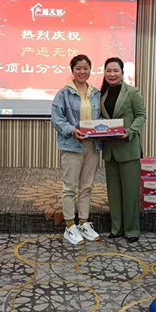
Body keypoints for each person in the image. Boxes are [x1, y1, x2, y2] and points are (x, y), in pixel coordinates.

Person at [51, 55, 102, 245]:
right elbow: (57, 119)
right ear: (72, 70)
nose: (82, 72)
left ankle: (83, 222)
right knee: (70, 187)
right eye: (78, 68)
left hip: (92, 145)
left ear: (90, 70)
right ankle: (69, 226)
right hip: (72, 145)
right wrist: (72, 130)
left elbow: (102, 118)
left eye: (86, 68)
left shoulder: (96, 93)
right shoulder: (64, 94)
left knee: (87, 186)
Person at [100, 57, 147, 243]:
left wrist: (130, 131)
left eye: (115, 71)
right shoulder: (102, 94)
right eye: (108, 71)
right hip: (110, 151)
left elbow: (141, 116)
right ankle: (116, 228)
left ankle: (132, 230)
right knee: (113, 192)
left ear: (122, 73)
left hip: (128, 149)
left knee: (130, 193)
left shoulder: (133, 92)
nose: (112, 74)